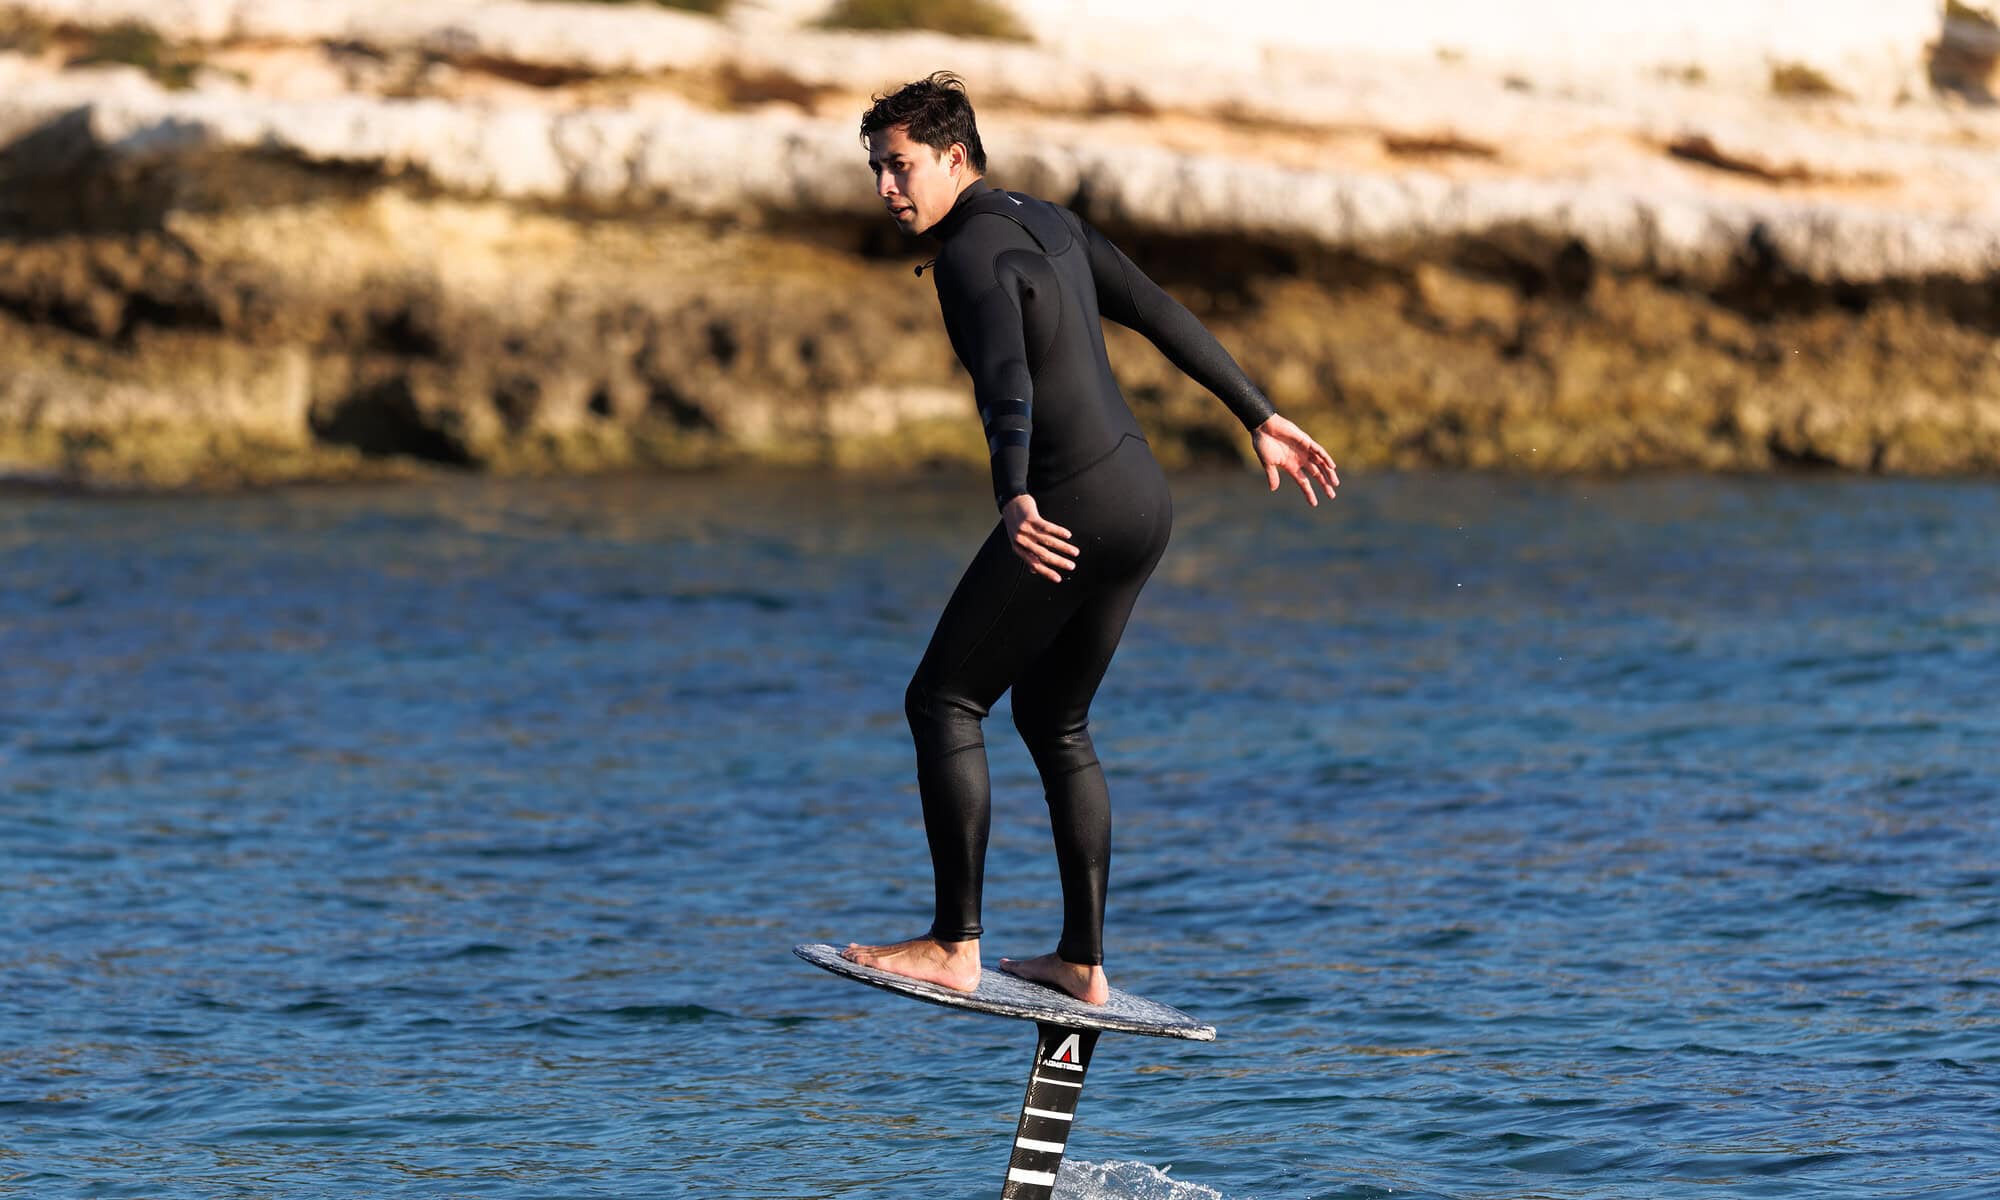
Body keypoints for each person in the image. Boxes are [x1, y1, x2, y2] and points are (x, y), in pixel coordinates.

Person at [842, 72, 1337, 1005]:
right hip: (1140, 500)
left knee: (943, 702)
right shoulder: (1051, 222)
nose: (885, 189)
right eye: (875, 170)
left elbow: (1005, 380)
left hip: (1067, 500)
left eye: (899, 167)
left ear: (955, 157)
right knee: (1054, 719)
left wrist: (1014, 494)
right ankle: (1083, 960)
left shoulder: (966, 257)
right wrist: (1258, 415)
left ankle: (955, 943)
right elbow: (1157, 310)